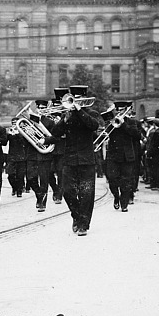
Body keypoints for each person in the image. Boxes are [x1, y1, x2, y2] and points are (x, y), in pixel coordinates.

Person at [41, 86, 99, 236]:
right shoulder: (67, 116)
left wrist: (79, 111)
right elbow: (55, 133)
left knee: (87, 194)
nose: (74, 101)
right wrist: (64, 120)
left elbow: (94, 125)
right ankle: (76, 216)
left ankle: (83, 225)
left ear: (83, 99)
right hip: (70, 159)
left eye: (77, 98)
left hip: (86, 160)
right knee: (67, 192)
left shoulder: (91, 113)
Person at [103, 101, 140, 212]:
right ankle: (116, 197)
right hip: (113, 155)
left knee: (126, 181)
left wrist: (123, 124)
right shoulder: (111, 122)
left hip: (127, 156)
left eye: (121, 110)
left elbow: (137, 135)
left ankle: (124, 204)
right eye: (117, 110)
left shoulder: (131, 122)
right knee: (112, 179)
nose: (119, 112)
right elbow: (106, 134)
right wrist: (110, 124)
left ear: (125, 111)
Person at [6, 118, 27, 197]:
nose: (14, 124)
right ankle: (14, 187)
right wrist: (8, 134)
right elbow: (4, 142)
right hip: (11, 156)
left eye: (16, 123)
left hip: (21, 156)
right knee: (10, 175)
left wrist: (18, 134)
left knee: (20, 175)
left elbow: (24, 142)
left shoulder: (23, 132)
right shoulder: (10, 131)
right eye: (13, 123)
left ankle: (19, 191)